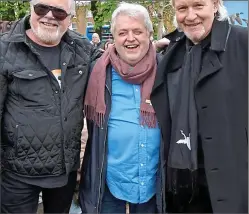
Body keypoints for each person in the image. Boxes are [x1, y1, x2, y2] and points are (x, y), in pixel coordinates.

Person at [0, 0, 101, 213]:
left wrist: (150, 51)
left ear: (70, 18)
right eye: (42, 8)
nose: (49, 15)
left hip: (64, 172)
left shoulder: (82, 49)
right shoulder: (5, 50)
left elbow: (112, 62)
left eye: (59, 11)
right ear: (31, 10)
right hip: (17, 174)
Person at [151, 0, 248, 213]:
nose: (190, 15)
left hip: (235, 186)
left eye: (198, 5)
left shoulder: (243, 43)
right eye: (182, 9)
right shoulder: (172, 54)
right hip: (185, 187)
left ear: (215, 5)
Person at [79, 2, 168, 213]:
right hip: (109, 179)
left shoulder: (168, 69)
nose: (130, 38)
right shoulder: (97, 72)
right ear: (113, 37)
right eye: (123, 32)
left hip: (154, 179)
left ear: (149, 34)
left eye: (137, 31)